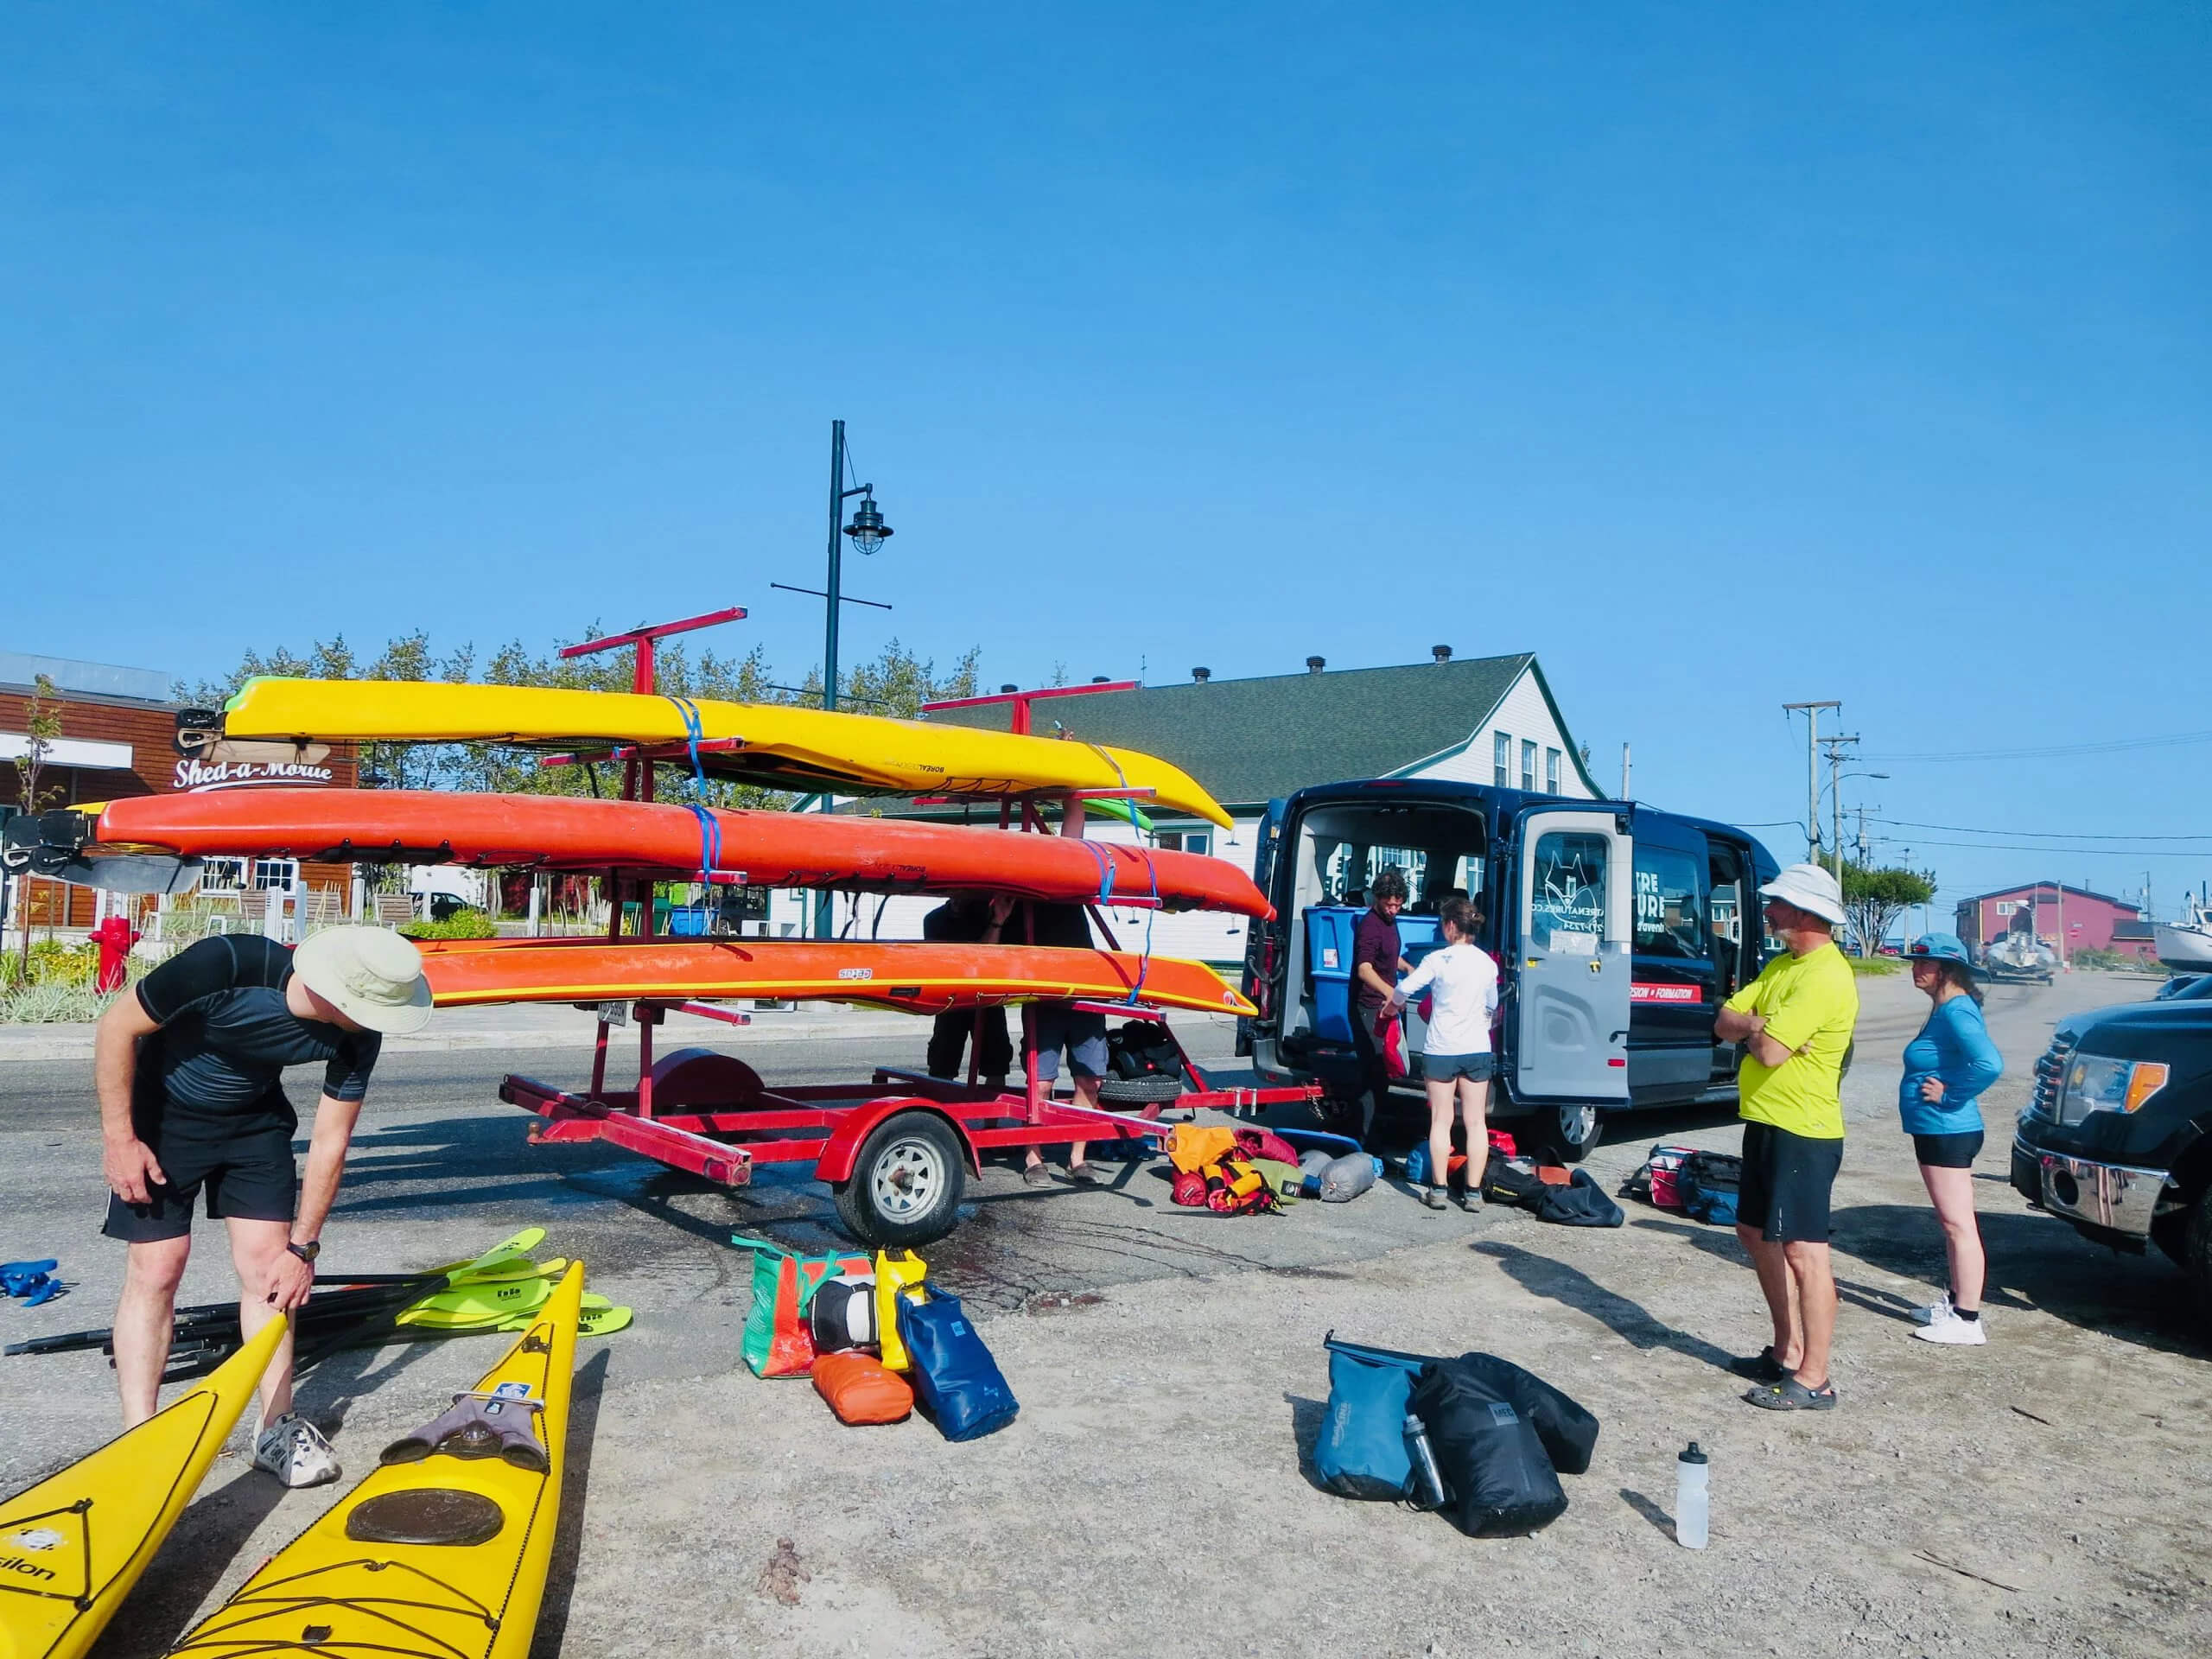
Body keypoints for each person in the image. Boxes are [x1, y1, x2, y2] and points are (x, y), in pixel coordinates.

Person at [96, 925, 433, 1484]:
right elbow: (116, 1027)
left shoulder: (359, 1036)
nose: (382, 1022)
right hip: (162, 1117)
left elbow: (331, 1141)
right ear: (343, 994)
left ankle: (275, 1429)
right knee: (156, 1268)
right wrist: (119, 1140)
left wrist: (303, 1248)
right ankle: (141, 1437)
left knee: (268, 1268)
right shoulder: (227, 962)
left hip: (254, 1123)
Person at [1711, 863, 1859, 1411]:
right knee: (1753, 1232)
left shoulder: (1825, 974)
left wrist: (1761, 1031)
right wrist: (1759, 1025)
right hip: (1768, 1121)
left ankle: (1815, 1377)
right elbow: (1725, 1020)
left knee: (1804, 1250)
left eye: (1777, 903)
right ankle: (1786, 1349)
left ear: (1803, 912)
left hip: (1805, 1130)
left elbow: (1771, 1051)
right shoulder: (1781, 966)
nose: (1767, 910)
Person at [1897, 931, 2003, 1346]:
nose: (1915, 969)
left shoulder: (1958, 1011)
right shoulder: (1946, 1008)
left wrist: (1951, 1092)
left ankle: (1967, 1320)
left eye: (1925, 964)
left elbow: (1989, 1063)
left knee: (1959, 1224)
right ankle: (1956, 1303)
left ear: (1948, 970)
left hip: (1949, 1129)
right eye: (1915, 962)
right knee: (1951, 1223)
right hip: (1937, 1129)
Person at [1382, 897, 1499, 1211]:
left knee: (1441, 1120)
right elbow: (1492, 1004)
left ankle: (1438, 1189)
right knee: (1476, 1123)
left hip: (1441, 1049)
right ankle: (1473, 1193)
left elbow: (1405, 988)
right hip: (1477, 1049)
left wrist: (1393, 1004)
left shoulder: (1438, 959)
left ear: (1450, 926)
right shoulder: (1488, 964)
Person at [922, 892, 1015, 1089]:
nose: (958, 900)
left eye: (963, 895)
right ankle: (940, 1112)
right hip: (952, 999)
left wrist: (997, 921)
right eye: (955, 895)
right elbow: (954, 962)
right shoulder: (935, 919)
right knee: (942, 1063)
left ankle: (991, 1117)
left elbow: (989, 959)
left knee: (996, 1064)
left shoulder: (988, 915)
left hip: (988, 997)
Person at [1349, 866, 1413, 1147]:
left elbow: (1389, 957)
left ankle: (1376, 1136)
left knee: (1384, 1072)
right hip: (1367, 1007)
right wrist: (1391, 992)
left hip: (1384, 1007)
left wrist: (1409, 967)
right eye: (1389, 905)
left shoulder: (1390, 922)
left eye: (1398, 905)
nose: (1394, 910)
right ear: (1377, 898)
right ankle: (1364, 1141)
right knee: (1372, 1074)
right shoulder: (1370, 925)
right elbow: (1364, 969)